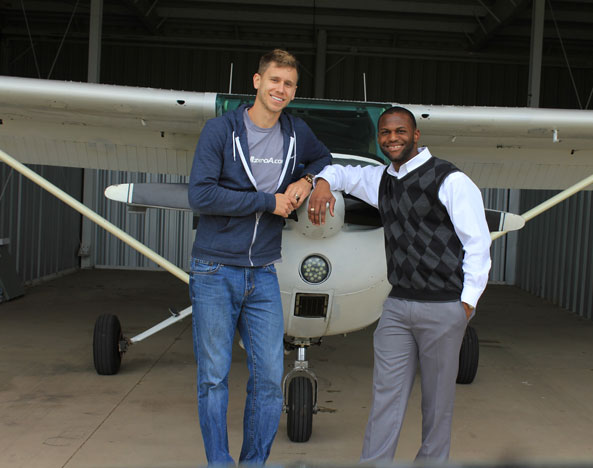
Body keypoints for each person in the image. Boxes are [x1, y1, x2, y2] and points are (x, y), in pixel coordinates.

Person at [308, 106, 491, 462]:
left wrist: (466, 303)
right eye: (385, 133)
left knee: (437, 407)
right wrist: (322, 184)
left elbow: (478, 244)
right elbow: (341, 172)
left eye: (400, 132)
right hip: (396, 307)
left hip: (443, 306)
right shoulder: (381, 179)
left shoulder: (449, 180)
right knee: (384, 401)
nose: (392, 139)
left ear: (416, 135)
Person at [187, 49, 331, 465]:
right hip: (214, 268)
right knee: (214, 379)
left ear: (294, 90)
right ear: (256, 81)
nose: (280, 90)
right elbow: (201, 195)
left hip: (263, 272)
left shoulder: (296, 131)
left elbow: (323, 157)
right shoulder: (220, 131)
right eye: (274, 81)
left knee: (268, 381)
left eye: (288, 84)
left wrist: (310, 181)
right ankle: (219, 461)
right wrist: (268, 201)